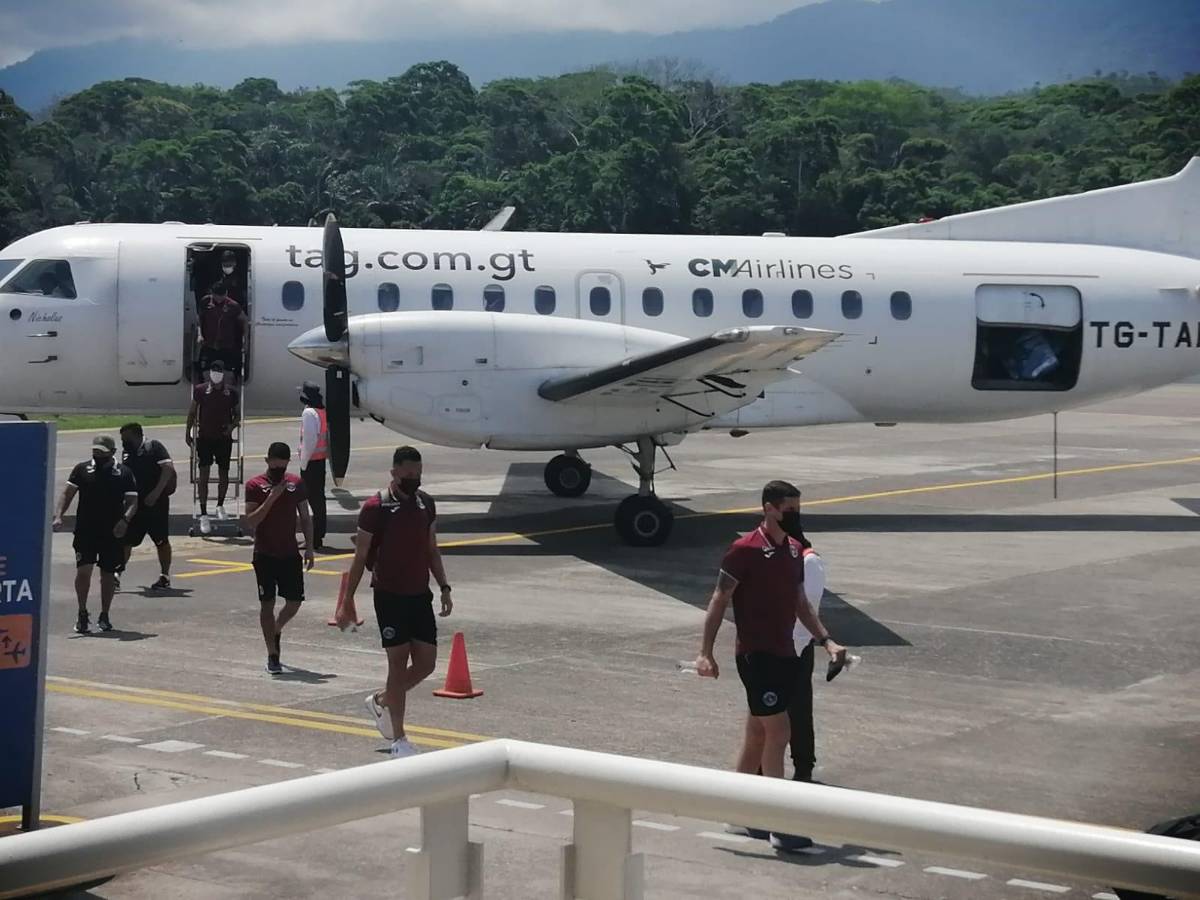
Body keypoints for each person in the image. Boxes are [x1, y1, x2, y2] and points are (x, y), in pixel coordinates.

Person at [694, 480, 844, 852]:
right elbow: (718, 600)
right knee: (780, 733)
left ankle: (737, 813)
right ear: (769, 508)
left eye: (797, 508)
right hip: (755, 655)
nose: (795, 515)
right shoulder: (743, 551)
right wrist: (705, 652)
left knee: (758, 736)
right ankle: (779, 825)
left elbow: (800, 605)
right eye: (788, 509)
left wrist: (826, 639)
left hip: (784, 656)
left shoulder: (794, 552)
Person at [341, 446, 453, 758]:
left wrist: (444, 585)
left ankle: (381, 700)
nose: (414, 480)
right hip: (389, 595)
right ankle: (399, 739)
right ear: (394, 473)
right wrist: (347, 600)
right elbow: (360, 555)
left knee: (427, 663)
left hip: (420, 593)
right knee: (397, 662)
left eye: (418, 475)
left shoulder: (426, 504)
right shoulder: (376, 507)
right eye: (408, 475)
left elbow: (432, 548)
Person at [52, 435, 138, 634]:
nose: (97, 455)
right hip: (86, 530)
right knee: (83, 572)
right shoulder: (82, 469)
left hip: (111, 532)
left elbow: (133, 502)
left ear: (112, 452)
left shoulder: (124, 473)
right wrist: (59, 516)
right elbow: (67, 493)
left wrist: (125, 521)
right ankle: (82, 613)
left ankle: (105, 614)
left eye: (101, 452)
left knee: (107, 574)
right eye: (95, 451)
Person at [243, 442, 315, 675]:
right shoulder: (255, 485)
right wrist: (272, 498)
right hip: (265, 553)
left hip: (289, 552)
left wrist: (310, 546)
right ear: (267, 461)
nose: (278, 470)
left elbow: (305, 516)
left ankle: (276, 628)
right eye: (275, 465)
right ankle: (272, 653)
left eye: (282, 466)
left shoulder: (295, 483)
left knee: (294, 601)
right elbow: (251, 521)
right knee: (267, 603)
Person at [119, 422, 176, 590]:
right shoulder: (127, 454)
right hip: (135, 504)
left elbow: (168, 468)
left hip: (156, 503)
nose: (124, 442)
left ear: (137, 436)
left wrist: (156, 493)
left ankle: (164, 576)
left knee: (161, 540)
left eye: (126, 439)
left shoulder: (154, 447)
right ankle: (117, 573)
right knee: (126, 540)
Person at [186, 359, 239, 535]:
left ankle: (220, 505)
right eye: (213, 370)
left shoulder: (231, 392)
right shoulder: (201, 390)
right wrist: (188, 432)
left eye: (219, 370)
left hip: (223, 438)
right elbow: (193, 411)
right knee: (204, 474)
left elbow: (237, 415)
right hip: (205, 438)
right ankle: (203, 513)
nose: (216, 373)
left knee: (224, 472)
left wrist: (231, 427)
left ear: (224, 373)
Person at [298, 381, 329, 551]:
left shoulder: (309, 413)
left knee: (310, 501)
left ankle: (313, 538)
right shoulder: (321, 411)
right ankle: (319, 535)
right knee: (319, 500)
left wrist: (303, 463)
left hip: (311, 462)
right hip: (320, 461)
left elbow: (309, 440)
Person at [197, 281, 248, 384]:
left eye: (222, 296)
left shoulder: (233, 305)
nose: (220, 299)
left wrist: (245, 340)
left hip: (226, 345)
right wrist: (199, 334)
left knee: (228, 372)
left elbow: (244, 320)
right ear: (212, 293)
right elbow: (199, 319)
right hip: (209, 343)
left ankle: (226, 392)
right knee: (206, 372)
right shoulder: (205, 302)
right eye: (217, 296)